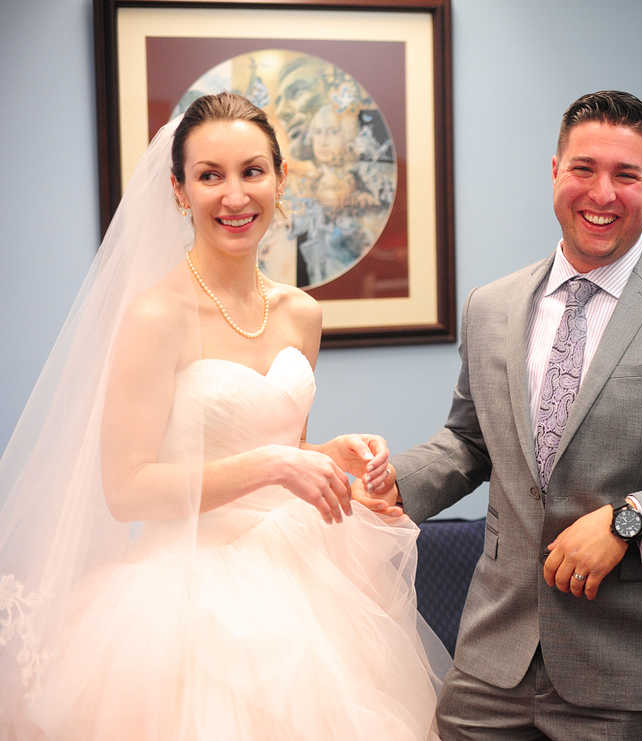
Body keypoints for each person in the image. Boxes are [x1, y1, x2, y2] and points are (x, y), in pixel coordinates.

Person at [0, 92, 448, 740]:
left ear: (279, 178)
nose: (234, 196)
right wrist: (276, 464)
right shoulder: (156, 317)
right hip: (188, 598)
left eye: (251, 171)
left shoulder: (301, 312)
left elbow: (279, 441)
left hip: (308, 586)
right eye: (209, 176)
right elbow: (127, 489)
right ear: (180, 191)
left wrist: (327, 454)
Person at [355, 91, 642, 740]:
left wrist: (628, 519)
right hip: (490, 661)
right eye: (585, 168)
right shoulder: (491, 306)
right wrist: (394, 482)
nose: (603, 192)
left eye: (626, 175)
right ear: (555, 170)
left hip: (630, 670)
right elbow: (471, 442)